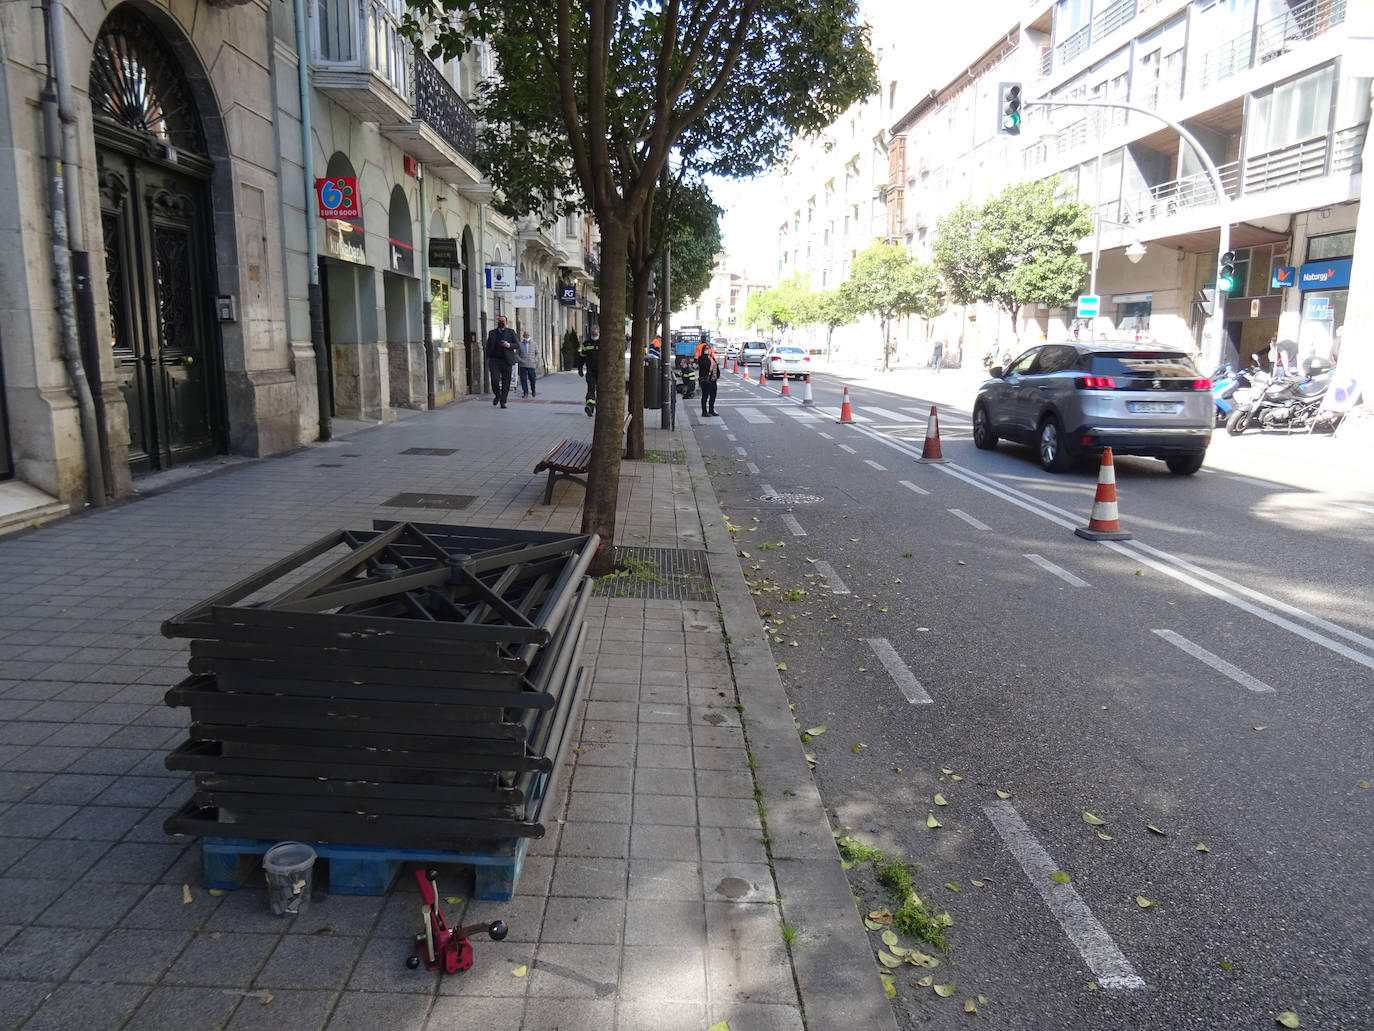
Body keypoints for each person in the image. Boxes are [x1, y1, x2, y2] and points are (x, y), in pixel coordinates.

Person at [485, 315, 517, 408]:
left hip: (506, 361)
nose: (501, 322)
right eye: (499, 321)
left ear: (506, 322)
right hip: (494, 360)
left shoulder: (511, 332)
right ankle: (497, 395)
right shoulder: (492, 333)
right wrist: (487, 358)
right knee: (495, 380)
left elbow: (516, 345)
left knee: (506, 381)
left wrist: (508, 345)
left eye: (503, 321)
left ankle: (503, 401)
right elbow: (488, 347)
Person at [576, 325, 600, 417]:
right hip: (591, 370)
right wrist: (580, 368)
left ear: (599, 333)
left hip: (602, 372)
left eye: (595, 334)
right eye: (593, 334)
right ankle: (590, 407)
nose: (594, 336)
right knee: (591, 388)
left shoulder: (603, 342)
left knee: (601, 390)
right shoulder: (586, 343)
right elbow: (582, 357)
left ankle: (599, 407)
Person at [697, 339, 721, 417]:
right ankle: (704, 411)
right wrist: (705, 356)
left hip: (713, 380)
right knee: (705, 395)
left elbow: (716, 366)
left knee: (713, 395)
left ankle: (711, 410)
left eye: (709, 349)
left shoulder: (712, 358)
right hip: (705, 380)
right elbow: (704, 367)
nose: (708, 350)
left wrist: (717, 374)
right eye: (706, 349)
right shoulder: (702, 358)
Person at [515, 329, 539, 398]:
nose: (527, 336)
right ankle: (525, 393)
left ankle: (533, 389)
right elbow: (516, 354)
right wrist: (520, 360)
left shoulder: (534, 344)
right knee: (523, 379)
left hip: (531, 364)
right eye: (525, 335)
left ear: (530, 336)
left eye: (528, 335)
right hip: (523, 364)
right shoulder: (520, 344)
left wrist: (535, 359)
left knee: (532, 378)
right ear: (523, 336)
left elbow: (537, 353)